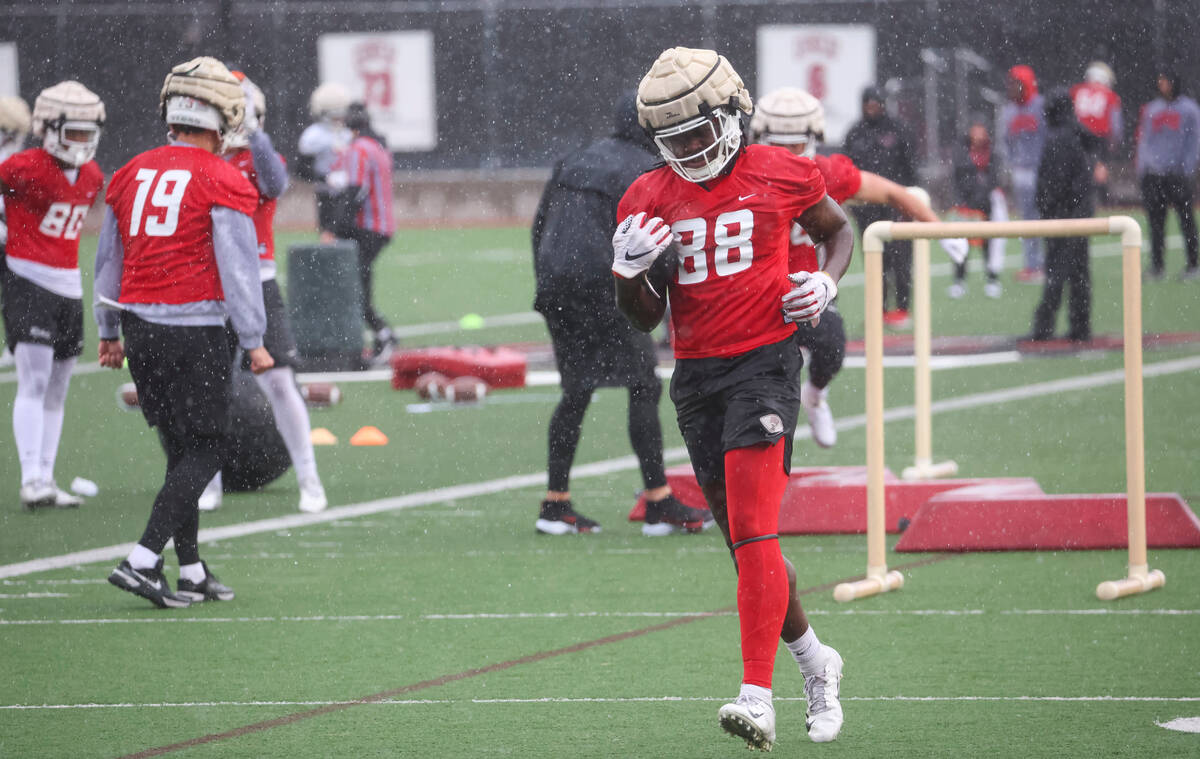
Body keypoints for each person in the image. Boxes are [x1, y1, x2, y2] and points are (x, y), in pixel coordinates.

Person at [613, 47, 851, 750]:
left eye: (698, 131)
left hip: (766, 363)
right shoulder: (646, 195)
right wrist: (628, 270)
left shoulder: (782, 171)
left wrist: (828, 283)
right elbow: (642, 316)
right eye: (674, 140)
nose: (689, 148)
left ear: (733, 112)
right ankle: (817, 661)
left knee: (753, 530)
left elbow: (838, 231)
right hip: (696, 377)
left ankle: (757, 694)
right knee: (748, 546)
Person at [96, 56, 272, 608]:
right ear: (220, 117)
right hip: (195, 327)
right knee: (208, 447)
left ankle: (191, 568)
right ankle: (143, 559)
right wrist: (254, 337)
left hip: (139, 326)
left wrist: (107, 327)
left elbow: (108, 259)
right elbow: (239, 267)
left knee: (180, 449)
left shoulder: (130, 171)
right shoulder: (221, 177)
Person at [531, 90, 714, 536]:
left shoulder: (575, 159)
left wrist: (549, 280)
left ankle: (555, 504)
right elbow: (656, 244)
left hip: (556, 283)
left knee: (575, 391)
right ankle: (658, 502)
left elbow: (539, 226)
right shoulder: (644, 169)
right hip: (602, 283)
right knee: (643, 386)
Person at [748, 87, 967, 448]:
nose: (787, 158)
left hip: (802, 290)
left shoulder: (823, 173)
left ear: (815, 140)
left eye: (795, 147)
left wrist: (938, 228)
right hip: (752, 295)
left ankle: (815, 396)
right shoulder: (742, 176)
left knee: (831, 342)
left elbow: (893, 192)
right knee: (765, 396)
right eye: (778, 146)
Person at [195, 70, 328, 514]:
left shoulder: (258, 155)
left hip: (257, 279)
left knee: (279, 380)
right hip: (210, 284)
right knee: (209, 387)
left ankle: (310, 478)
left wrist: (252, 133)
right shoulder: (199, 160)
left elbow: (275, 183)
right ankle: (207, 481)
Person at [1, 82, 105, 509]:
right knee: (36, 380)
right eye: (73, 133)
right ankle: (30, 479)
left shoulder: (93, 175)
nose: (81, 143)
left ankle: (46, 475)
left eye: (87, 133)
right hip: (28, 279)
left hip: (67, 286)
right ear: (47, 127)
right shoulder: (22, 166)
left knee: (59, 387)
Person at [842, 85, 918, 328]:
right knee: (875, 261)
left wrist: (909, 201)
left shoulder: (899, 130)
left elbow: (910, 168)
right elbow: (847, 168)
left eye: (876, 104)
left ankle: (902, 309)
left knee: (901, 259)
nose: (871, 108)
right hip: (867, 209)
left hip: (896, 207)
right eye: (867, 104)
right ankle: (879, 309)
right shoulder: (855, 133)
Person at [327, 102, 397, 362]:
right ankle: (380, 332)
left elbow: (356, 189)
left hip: (368, 227)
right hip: (381, 225)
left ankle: (381, 334)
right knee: (358, 284)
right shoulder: (377, 146)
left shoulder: (360, 149)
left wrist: (335, 228)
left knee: (356, 287)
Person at [1027, 89, 1098, 342]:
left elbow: (1052, 184)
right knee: (1079, 273)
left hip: (1062, 215)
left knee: (1056, 272)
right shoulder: (1077, 135)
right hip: (1079, 213)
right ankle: (1081, 326)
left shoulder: (1058, 139)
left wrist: (1046, 209)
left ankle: (1044, 327)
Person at [1136, 70, 1200, 281]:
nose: (1161, 85)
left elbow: (1194, 141)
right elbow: (1144, 141)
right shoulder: (1152, 109)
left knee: (1186, 220)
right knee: (1155, 222)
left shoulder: (1189, 109)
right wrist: (1143, 168)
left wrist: (1187, 169)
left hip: (1178, 175)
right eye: (1160, 81)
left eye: (1165, 81)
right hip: (1154, 176)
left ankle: (1193, 265)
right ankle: (1157, 267)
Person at [949, 115, 1006, 299]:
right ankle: (959, 281)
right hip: (966, 206)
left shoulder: (992, 153)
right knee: (961, 245)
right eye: (975, 129)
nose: (978, 134)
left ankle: (992, 279)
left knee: (989, 245)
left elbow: (994, 178)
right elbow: (957, 177)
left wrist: (983, 195)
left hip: (986, 206)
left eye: (981, 130)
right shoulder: (962, 152)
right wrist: (963, 200)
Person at [999, 64, 1047, 284]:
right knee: (1027, 220)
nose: (1012, 88)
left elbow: (1049, 139)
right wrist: (1010, 165)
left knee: (1045, 218)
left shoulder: (1041, 106)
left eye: (1016, 83)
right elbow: (1005, 141)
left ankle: (1049, 263)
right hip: (1021, 171)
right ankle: (1032, 265)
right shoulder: (1008, 110)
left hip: (1041, 170)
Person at [0, 94, 32, 369]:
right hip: (9, 235)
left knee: (14, 293)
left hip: (10, 237)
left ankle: (18, 343)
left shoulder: (12, 159)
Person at [296, 82, 352, 236]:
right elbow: (301, 171)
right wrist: (325, 178)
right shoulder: (313, 136)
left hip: (350, 194)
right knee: (330, 240)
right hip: (326, 197)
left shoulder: (350, 133)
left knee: (351, 241)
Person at [1071, 61, 1123, 202]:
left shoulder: (1076, 91)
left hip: (1075, 138)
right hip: (1099, 139)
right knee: (1097, 175)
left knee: (1077, 174)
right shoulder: (1110, 96)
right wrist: (1112, 148)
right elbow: (1116, 128)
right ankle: (1099, 201)